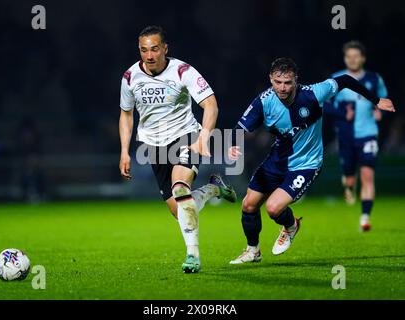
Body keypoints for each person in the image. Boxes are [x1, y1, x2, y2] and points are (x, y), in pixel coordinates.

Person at [227, 57, 395, 264]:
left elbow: (345, 80)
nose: (283, 87)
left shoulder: (314, 93)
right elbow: (240, 128)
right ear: (270, 79)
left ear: (296, 80)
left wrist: (376, 100)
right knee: (248, 205)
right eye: (278, 82)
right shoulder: (263, 101)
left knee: (273, 208)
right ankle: (253, 251)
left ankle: (291, 226)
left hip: (306, 163)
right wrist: (233, 144)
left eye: (288, 82)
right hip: (277, 161)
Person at [119, 26, 237, 273]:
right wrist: (124, 151)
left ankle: (192, 255)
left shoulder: (183, 71)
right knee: (180, 210)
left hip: (186, 136)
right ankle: (214, 188)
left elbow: (211, 105)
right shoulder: (130, 77)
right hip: (154, 145)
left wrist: (204, 137)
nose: (149, 55)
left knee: (181, 188)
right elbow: (126, 114)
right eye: (143, 50)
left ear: (165, 48)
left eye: (154, 49)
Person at [324, 41, 388, 231]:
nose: (352, 59)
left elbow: (382, 100)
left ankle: (365, 217)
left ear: (363, 58)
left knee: (368, 175)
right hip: (345, 137)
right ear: (345, 59)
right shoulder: (336, 80)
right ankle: (349, 187)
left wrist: (380, 112)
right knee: (350, 179)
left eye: (356, 56)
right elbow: (323, 104)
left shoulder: (374, 79)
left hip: (368, 134)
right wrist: (343, 114)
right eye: (348, 56)